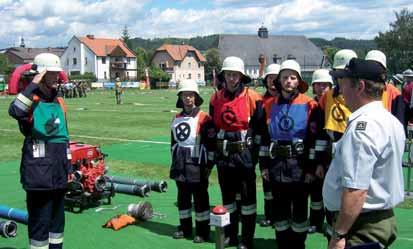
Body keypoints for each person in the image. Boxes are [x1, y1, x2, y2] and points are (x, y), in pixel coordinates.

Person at [323, 58, 405, 249]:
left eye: (344, 85)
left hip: (361, 225)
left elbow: (356, 189)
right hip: (371, 219)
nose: (341, 92)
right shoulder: (389, 120)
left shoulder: (364, 127)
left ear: (359, 86)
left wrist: (339, 234)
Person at [8, 53, 71, 249]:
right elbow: (15, 111)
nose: (55, 77)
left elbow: (64, 137)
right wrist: (32, 84)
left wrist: (68, 167)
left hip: (59, 173)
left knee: (57, 226)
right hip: (38, 175)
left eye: (56, 74)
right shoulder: (30, 100)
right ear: (40, 75)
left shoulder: (58, 100)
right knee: (39, 227)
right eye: (50, 74)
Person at [260, 60, 322, 249]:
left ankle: (298, 245)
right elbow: (263, 138)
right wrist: (263, 165)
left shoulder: (310, 105)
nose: (288, 81)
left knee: (300, 210)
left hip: (301, 166)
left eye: (293, 77)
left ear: (298, 81)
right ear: (279, 81)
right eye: (285, 77)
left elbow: (314, 140)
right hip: (276, 165)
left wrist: (312, 168)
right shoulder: (268, 105)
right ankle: (282, 244)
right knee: (280, 210)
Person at [210, 56, 264, 249]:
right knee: (229, 200)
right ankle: (231, 236)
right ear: (223, 76)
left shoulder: (253, 97)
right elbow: (213, 128)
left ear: (241, 77)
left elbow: (259, 130)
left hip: (244, 156)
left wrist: (254, 157)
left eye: (235, 75)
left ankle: (247, 239)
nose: (232, 78)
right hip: (224, 157)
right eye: (229, 75)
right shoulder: (215, 98)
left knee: (248, 201)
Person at [318, 49, 357, 239]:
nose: (341, 79)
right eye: (338, 74)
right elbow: (320, 127)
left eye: (345, 74)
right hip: (331, 152)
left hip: (354, 152)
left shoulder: (360, 95)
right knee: (331, 197)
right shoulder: (328, 96)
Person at [170, 79, 214, 243]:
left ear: (196, 97)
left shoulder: (205, 118)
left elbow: (211, 146)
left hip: (197, 165)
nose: (188, 98)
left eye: (191, 95)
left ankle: (202, 232)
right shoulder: (176, 118)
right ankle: (185, 228)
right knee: (183, 198)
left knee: (201, 199)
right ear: (180, 97)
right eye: (184, 95)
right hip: (180, 164)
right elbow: (173, 143)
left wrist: (209, 166)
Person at [307, 68, 333, 234]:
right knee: (315, 194)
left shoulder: (333, 106)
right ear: (313, 87)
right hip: (312, 156)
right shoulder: (309, 106)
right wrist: (313, 164)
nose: (322, 88)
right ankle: (315, 222)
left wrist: (322, 163)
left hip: (330, 158)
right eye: (319, 84)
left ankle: (330, 224)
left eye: (325, 85)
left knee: (331, 194)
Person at [259, 63, 280, 228]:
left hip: (284, 150)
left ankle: (282, 216)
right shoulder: (260, 102)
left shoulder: (287, 100)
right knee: (267, 185)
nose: (272, 82)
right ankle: (269, 215)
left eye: (275, 78)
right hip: (266, 149)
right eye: (270, 78)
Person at [365, 50, 405, 126]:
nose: (373, 71)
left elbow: (399, 124)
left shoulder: (394, 93)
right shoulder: (358, 90)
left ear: (384, 70)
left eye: (377, 67)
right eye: (370, 67)